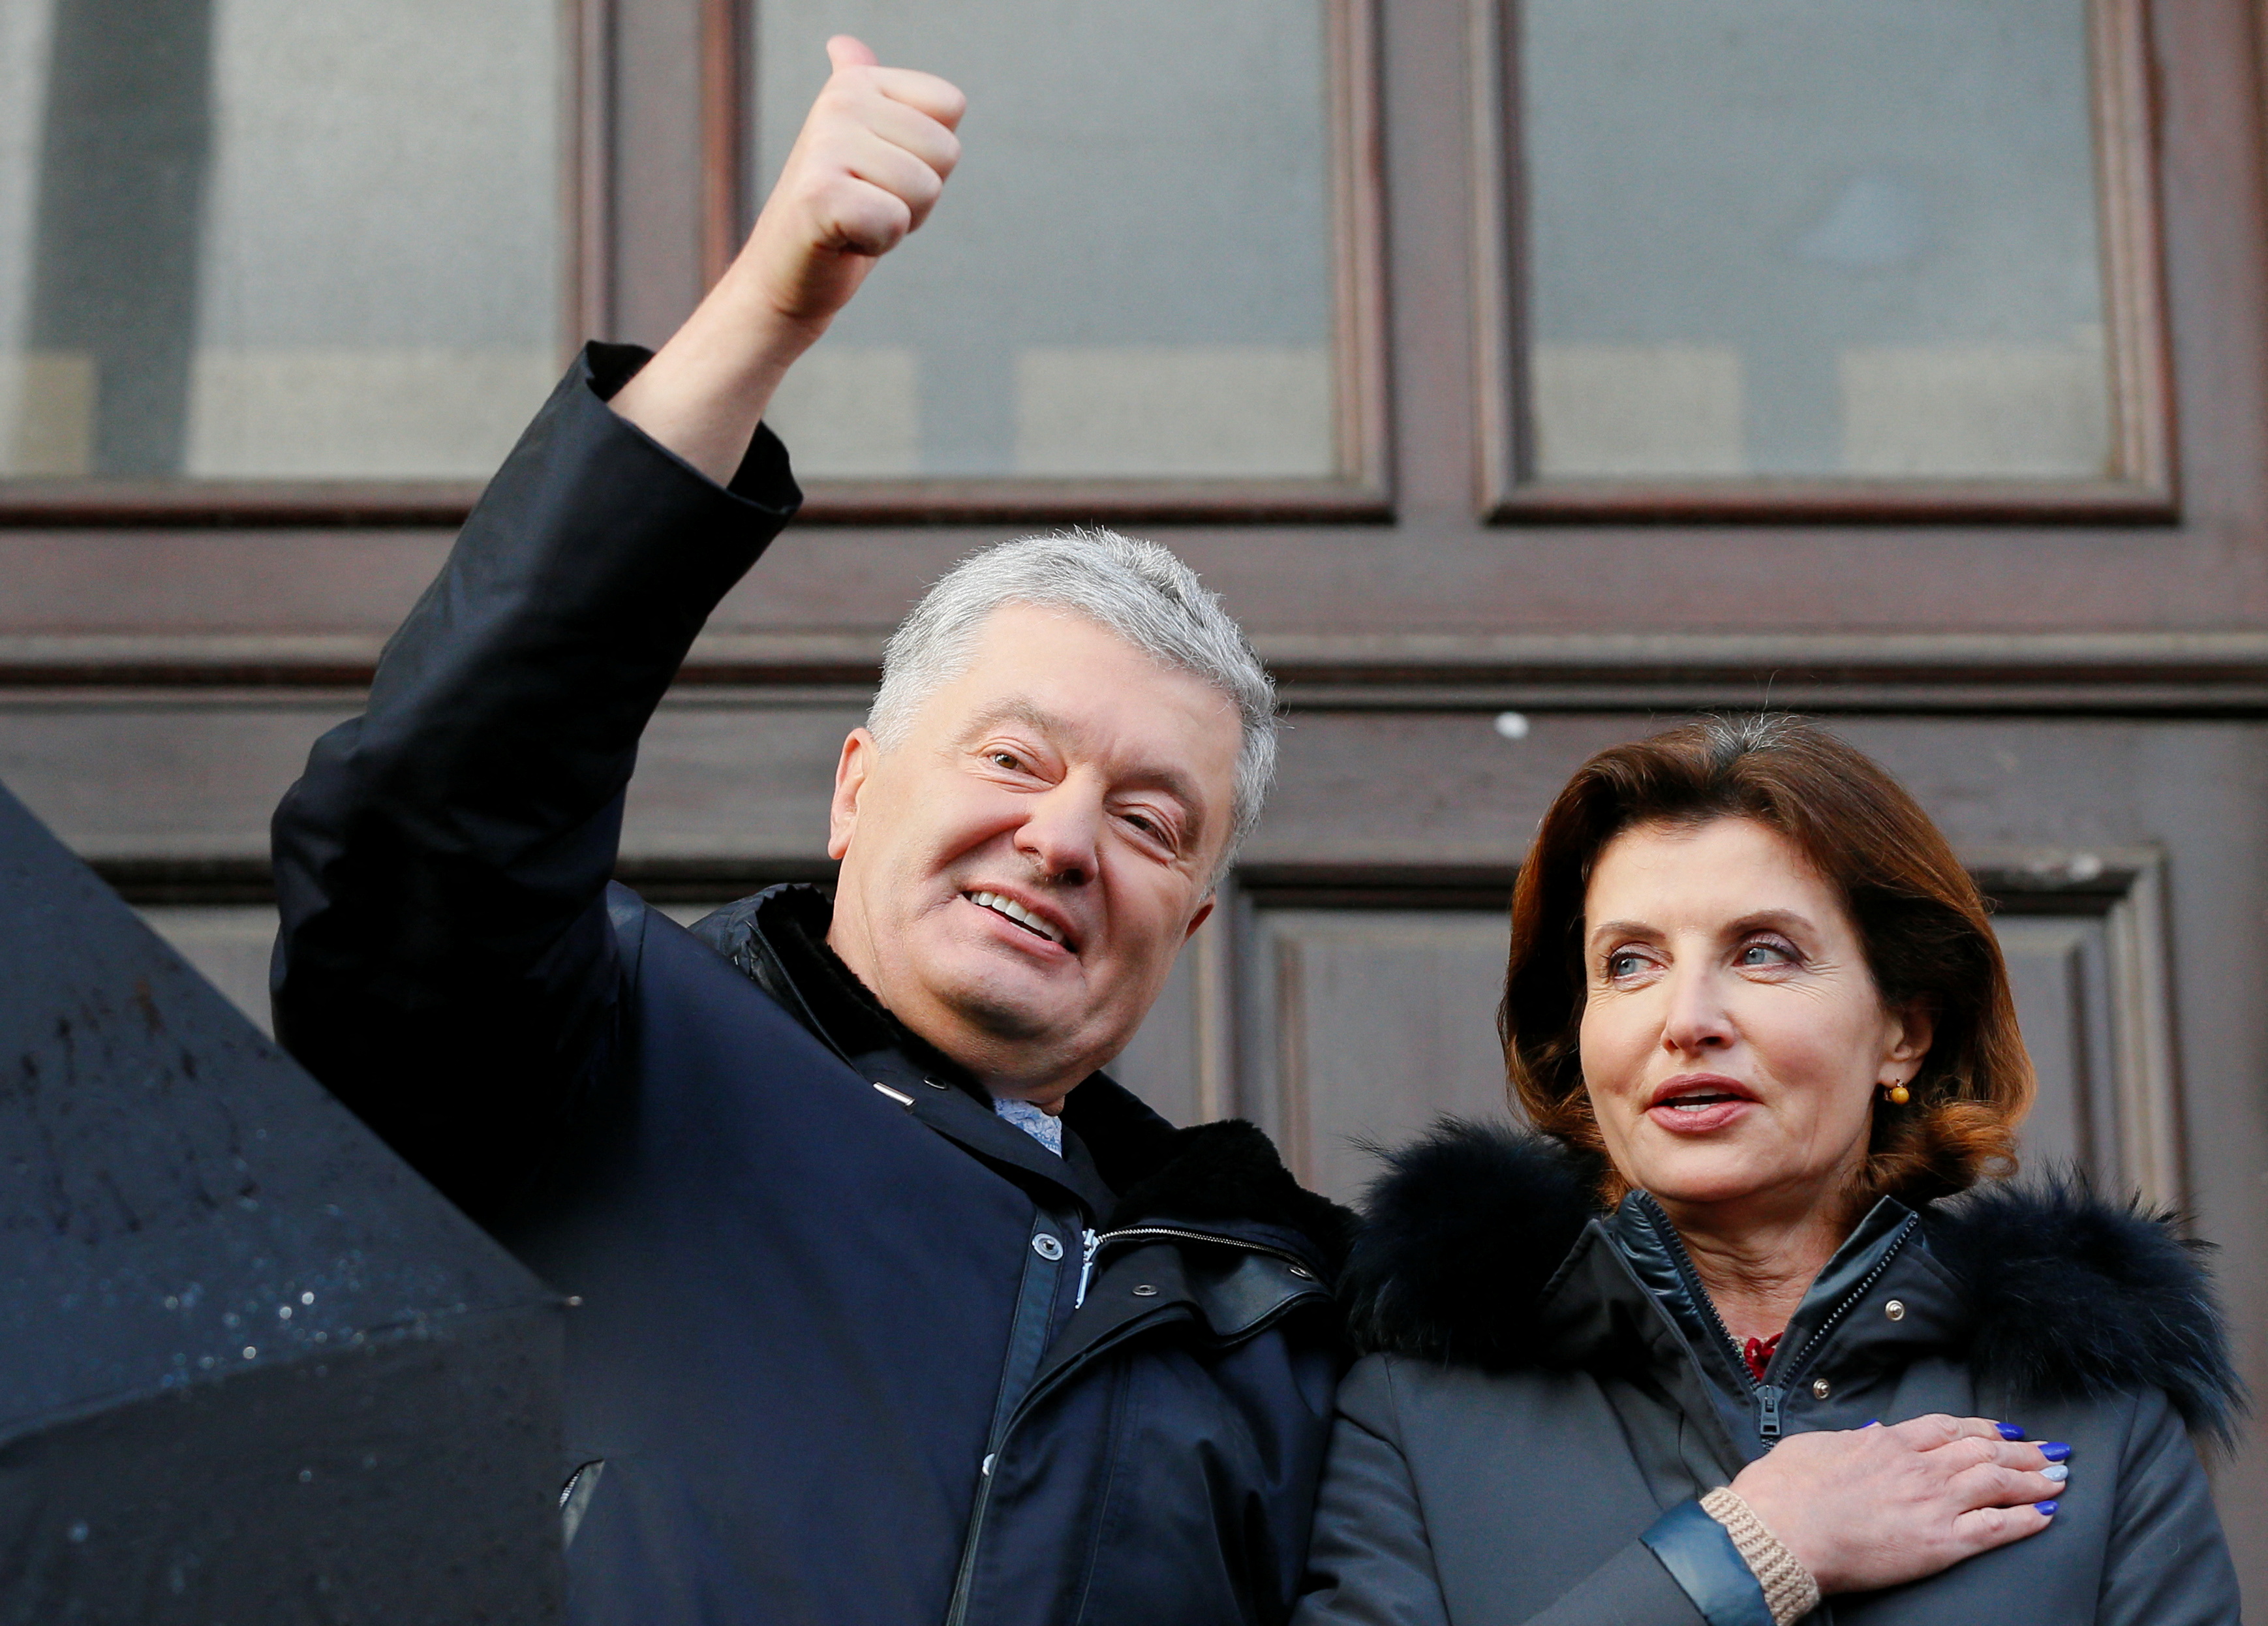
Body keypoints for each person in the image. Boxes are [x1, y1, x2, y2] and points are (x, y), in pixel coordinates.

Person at [269, 37, 1351, 1626]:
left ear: (1189, 916)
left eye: (1146, 819)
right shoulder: (596, 1050)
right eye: (1013, 757)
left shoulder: (1273, 1312)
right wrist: (768, 309)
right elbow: (432, 812)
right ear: (856, 788)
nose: (1062, 839)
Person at [1293, 714, 2244, 1626]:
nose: (1685, 1019)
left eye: (1762, 953)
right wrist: (1750, 1552)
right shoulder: (1416, 1407)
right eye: (1629, 964)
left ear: (1904, 1033)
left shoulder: (2096, 1413)